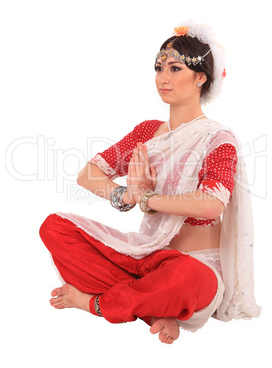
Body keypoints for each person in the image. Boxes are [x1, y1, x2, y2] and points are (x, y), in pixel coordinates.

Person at [40, 22, 261, 344]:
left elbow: (211, 203)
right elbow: (88, 174)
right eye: (159, 68)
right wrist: (124, 194)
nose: (163, 78)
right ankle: (154, 310)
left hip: (197, 266)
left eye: (175, 68)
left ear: (201, 78)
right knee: (55, 227)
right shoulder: (147, 132)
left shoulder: (217, 138)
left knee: (183, 278)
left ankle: (94, 303)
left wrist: (147, 198)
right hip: (145, 255)